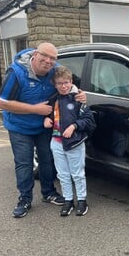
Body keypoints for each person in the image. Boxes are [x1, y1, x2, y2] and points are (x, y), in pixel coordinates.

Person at [0, 42, 86, 218]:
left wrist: (80, 93)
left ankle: (49, 192)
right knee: (24, 163)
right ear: (35, 54)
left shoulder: (55, 69)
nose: (48, 61)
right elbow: (1, 103)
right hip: (19, 126)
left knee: (47, 160)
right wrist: (35, 109)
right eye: (45, 56)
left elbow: (68, 83)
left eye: (53, 58)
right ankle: (25, 199)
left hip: (45, 125)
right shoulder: (16, 72)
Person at [44, 66, 96, 216]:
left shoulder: (78, 99)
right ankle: (68, 200)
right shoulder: (53, 99)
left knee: (77, 173)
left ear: (71, 81)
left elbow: (89, 121)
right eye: (60, 83)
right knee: (63, 174)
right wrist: (46, 120)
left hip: (74, 143)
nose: (64, 86)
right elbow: (49, 115)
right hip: (57, 142)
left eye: (66, 82)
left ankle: (81, 200)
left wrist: (74, 126)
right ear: (55, 84)